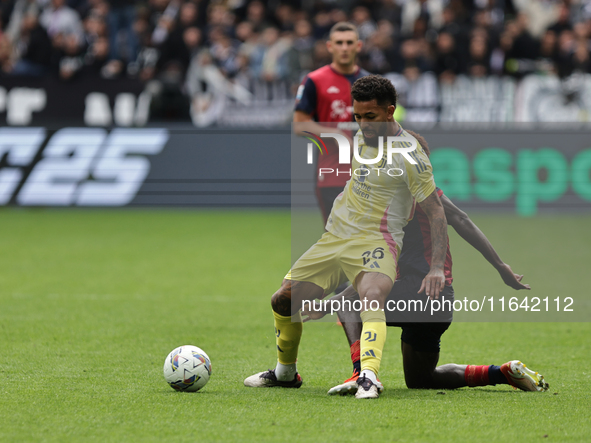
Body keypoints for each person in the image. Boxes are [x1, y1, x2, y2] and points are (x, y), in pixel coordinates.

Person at [244, 75, 448, 399]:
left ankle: (369, 376)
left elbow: (436, 212)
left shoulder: (411, 156)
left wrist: (437, 267)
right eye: (357, 116)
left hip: (377, 241)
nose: (363, 124)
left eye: (370, 117)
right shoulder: (361, 136)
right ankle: (285, 373)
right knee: (283, 300)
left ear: (390, 111)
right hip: (335, 238)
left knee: (370, 297)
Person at [303, 132, 549, 395]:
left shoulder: (411, 198)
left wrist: (336, 300)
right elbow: (460, 219)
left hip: (421, 292)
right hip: (439, 301)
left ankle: (359, 375)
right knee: (422, 378)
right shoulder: (404, 198)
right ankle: (501, 372)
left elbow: (460, 220)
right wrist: (500, 266)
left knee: (349, 304)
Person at [293, 21, 370, 224]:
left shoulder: (371, 83)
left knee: (369, 241)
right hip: (332, 174)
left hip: (368, 175)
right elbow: (300, 125)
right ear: (330, 46)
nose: (344, 48)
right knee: (338, 240)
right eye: (339, 43)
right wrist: (336, 134)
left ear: (358, 46)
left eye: (349, 42)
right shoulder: (314, 81)